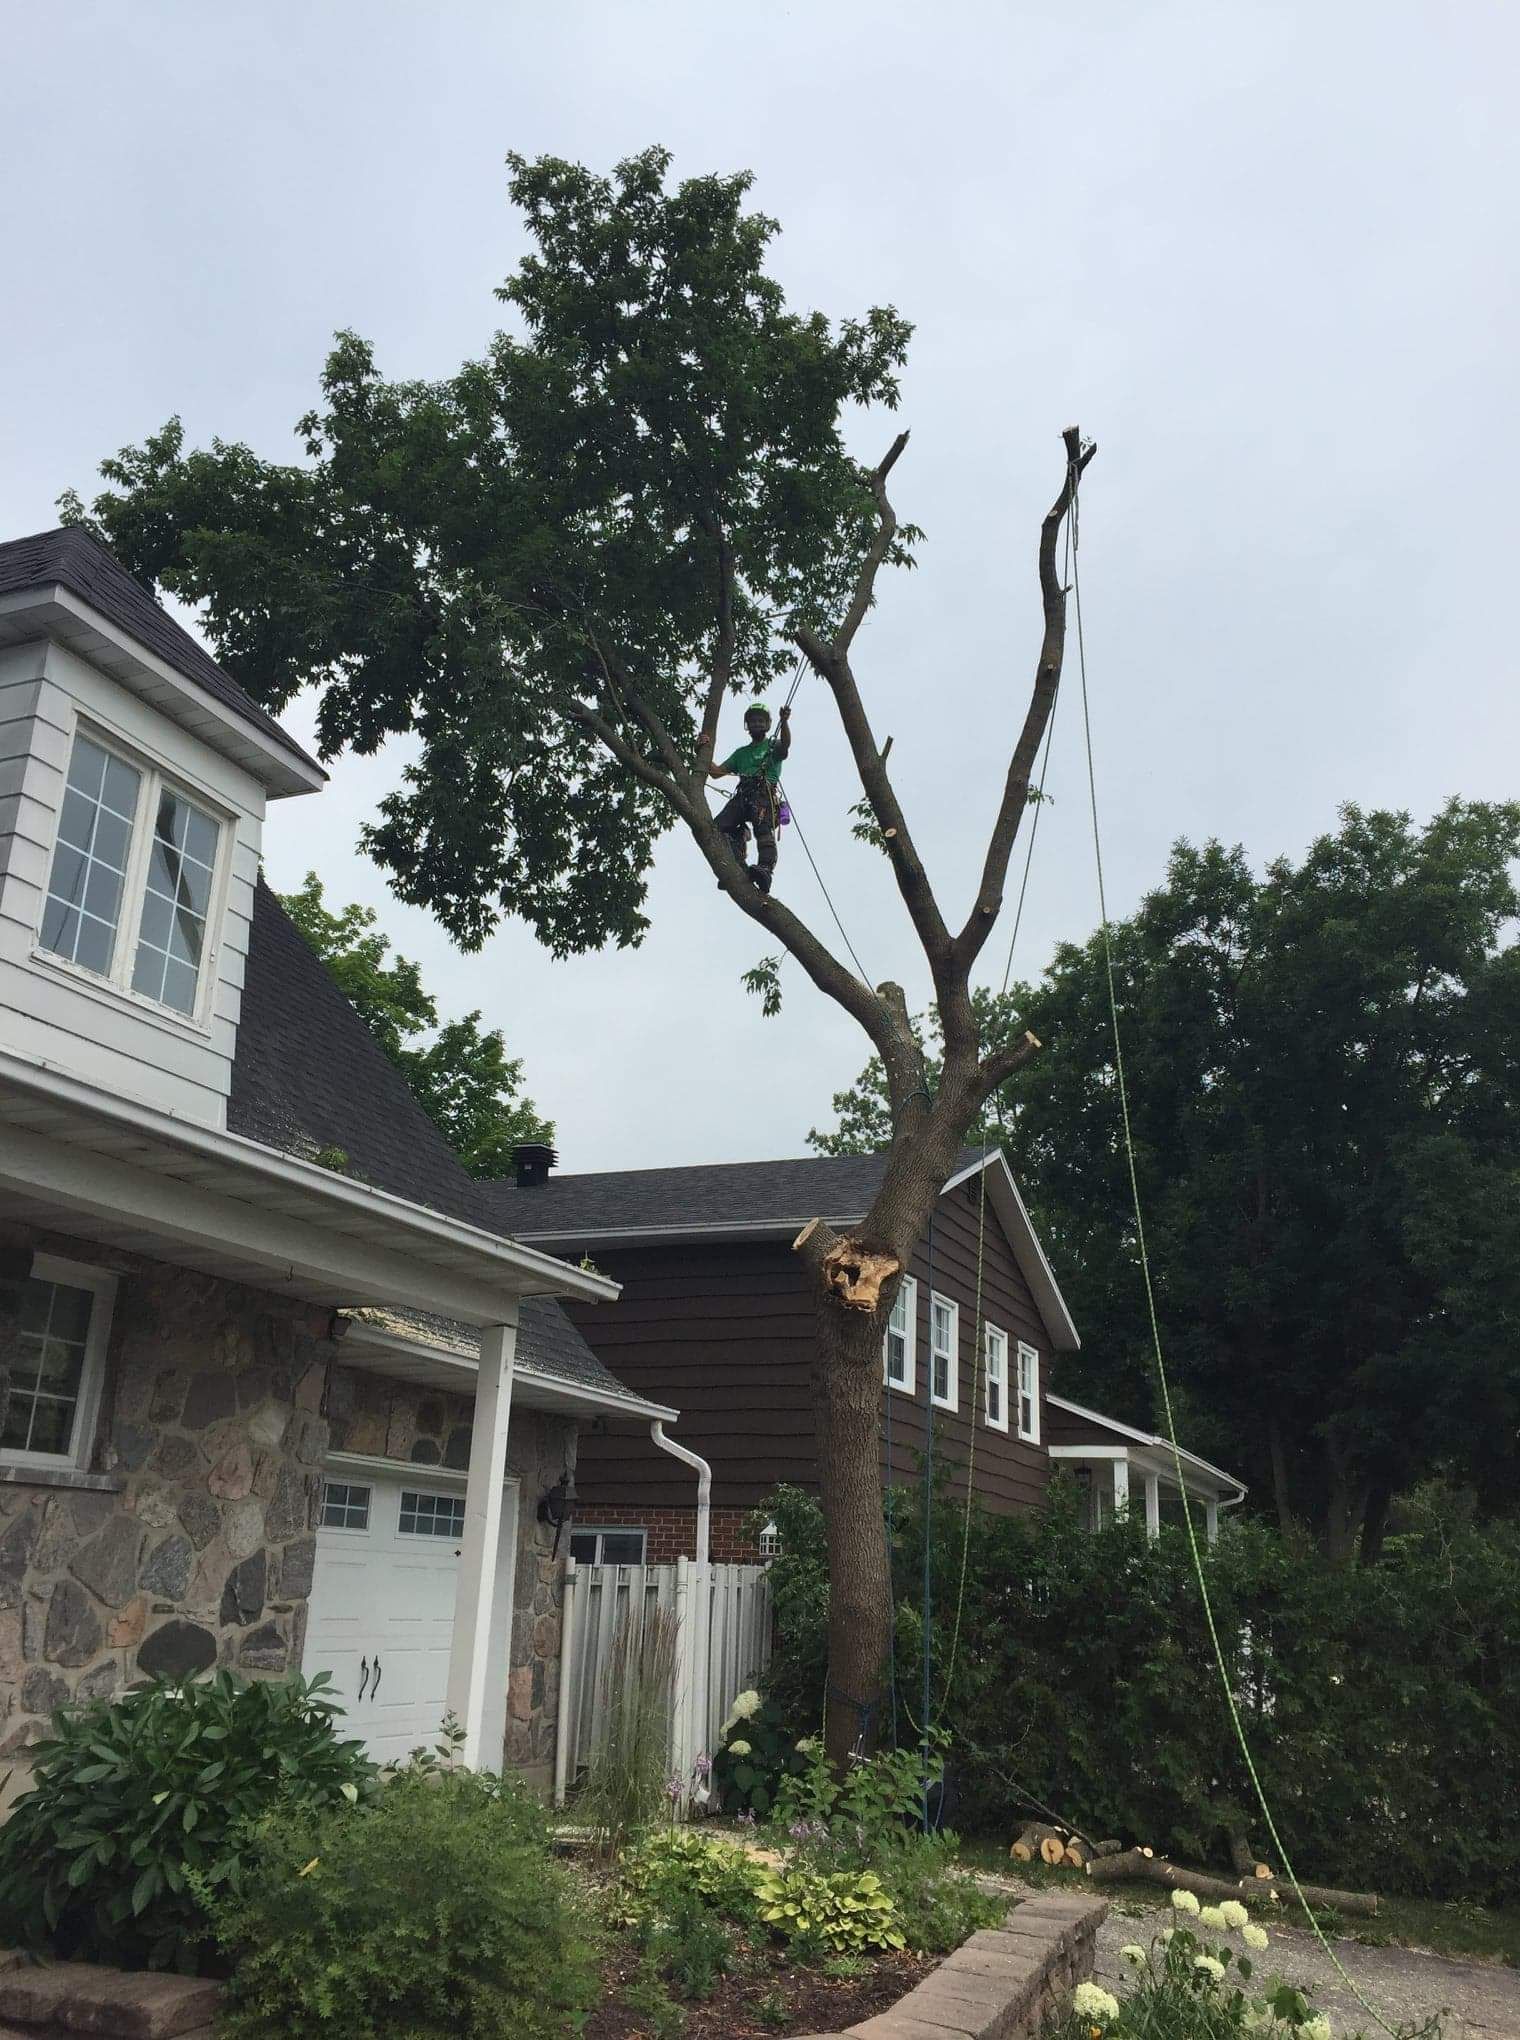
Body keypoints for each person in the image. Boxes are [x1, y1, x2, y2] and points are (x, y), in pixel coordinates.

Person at [709, 700, 791, 894]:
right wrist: (702, 749)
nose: (757, 724)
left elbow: (786, 744)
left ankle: (765, 869)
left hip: (763, 793)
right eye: (753, 721)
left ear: (768, 724)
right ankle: (737, 864)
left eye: (761, 721)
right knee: (719, 827)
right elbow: (716, 772)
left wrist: (784, 722)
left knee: (763, 829)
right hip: (744, 795)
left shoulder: (772, 746)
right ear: (747, 725)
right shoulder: (741, 753)